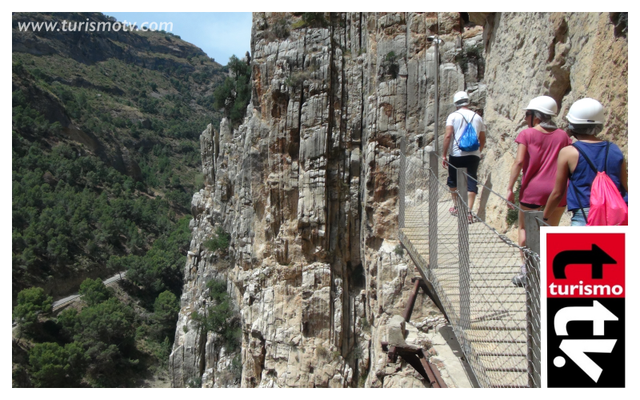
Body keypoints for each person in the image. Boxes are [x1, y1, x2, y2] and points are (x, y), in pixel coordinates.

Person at [507, 96, 571, 287]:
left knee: (525, 228)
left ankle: (527, 270)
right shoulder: (563, 136)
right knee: (550, 231)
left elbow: (519, 162)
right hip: (558, 191)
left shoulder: (526, 135)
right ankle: (546, 270)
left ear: (535, 116)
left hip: (533, 190)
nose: (526, 119)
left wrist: (510, 188)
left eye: (527, 114)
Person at [544, 98, 627, 226]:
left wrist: (545, 216)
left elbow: (558, 193)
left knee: (581, 247)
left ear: (572, 125)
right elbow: (624, 186)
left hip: (585, 214)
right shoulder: (615, 149)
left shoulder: (569, 152)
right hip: (617, 214)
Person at [442, 91, 486, 223]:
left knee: (453, 181)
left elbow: (448, 135)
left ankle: (456, 207)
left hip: (457, 154)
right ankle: (468, 212)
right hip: (473, 154)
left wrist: (444, 154)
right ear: (468, 101)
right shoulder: (477, 117)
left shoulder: (453, 116)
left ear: (456, 103)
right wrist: (478, 151)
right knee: (471, 181)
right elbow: (482, 138)